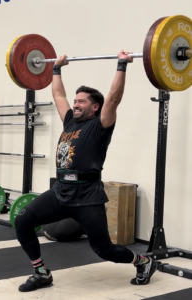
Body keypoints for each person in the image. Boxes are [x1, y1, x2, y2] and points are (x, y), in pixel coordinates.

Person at [15, 51, 158, 292]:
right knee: (22, 221)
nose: (76, 104)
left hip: (87, 196)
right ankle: (41, 273)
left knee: (104, 250)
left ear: (95, 106)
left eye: (81, 101)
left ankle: (144, 262)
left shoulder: (101, 124)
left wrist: (121, 65)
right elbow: (58, 94)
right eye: (76, 100)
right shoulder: (70, 121)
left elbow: (113, 98)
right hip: (60, 191)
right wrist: (56, 69)